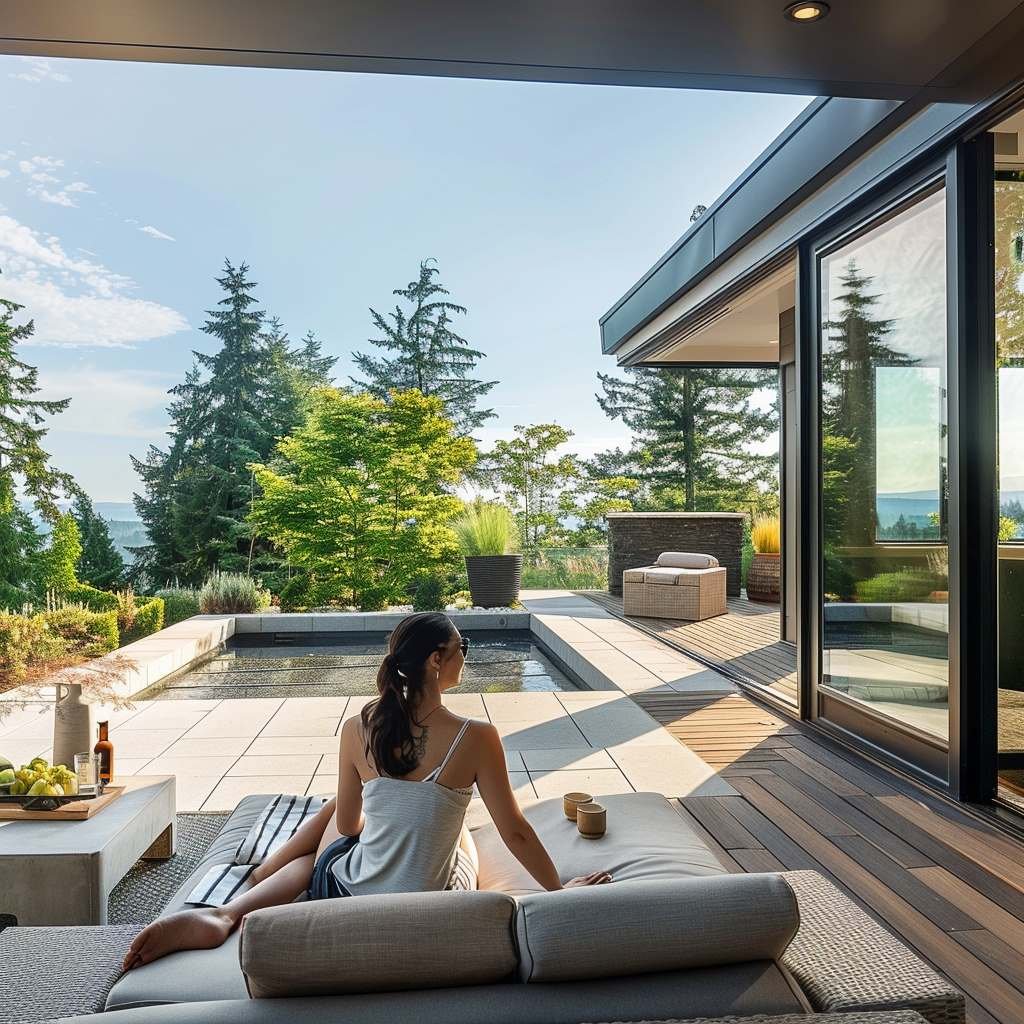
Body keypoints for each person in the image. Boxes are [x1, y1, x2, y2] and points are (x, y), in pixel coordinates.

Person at [124, 611, 611, 969]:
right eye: (463, 648)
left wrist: (386, 805)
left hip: (347, 889)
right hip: (431, 899)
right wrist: (558, 890)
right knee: (460, 826)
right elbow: (516, 832)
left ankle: (234, 905)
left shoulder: (359, 728)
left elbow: (351, 826)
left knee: (331, 837)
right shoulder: (477, 737)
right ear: (438, 660)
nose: (467, 656)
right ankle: (261, 878)